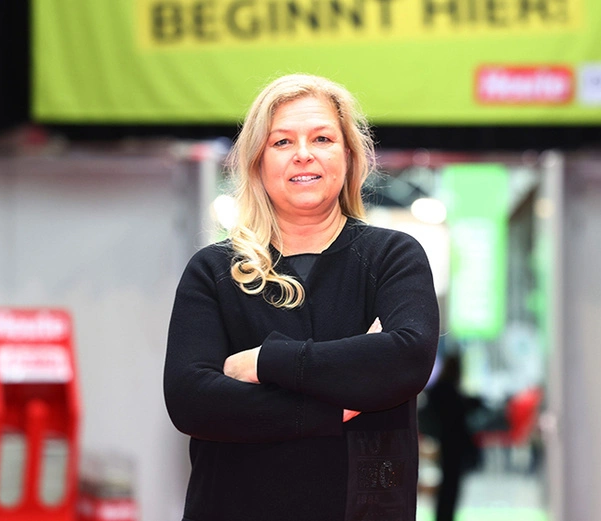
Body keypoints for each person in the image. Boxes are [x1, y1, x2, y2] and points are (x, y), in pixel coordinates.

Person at [163, 74, 440, 521]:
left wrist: (265, 363)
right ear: (257, 162)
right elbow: (192, 400)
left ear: (349, 157)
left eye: (323, 138)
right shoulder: (214, 271)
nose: (304, 154)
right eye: (282, 142)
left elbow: (406, 358)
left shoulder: (392, 257)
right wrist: (338, 403)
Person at [425, 353, 481, 521]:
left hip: (447, 442)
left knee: (448, 487)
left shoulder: (440, 390)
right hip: (452, 444)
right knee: (450, 487)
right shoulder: (447, 391)